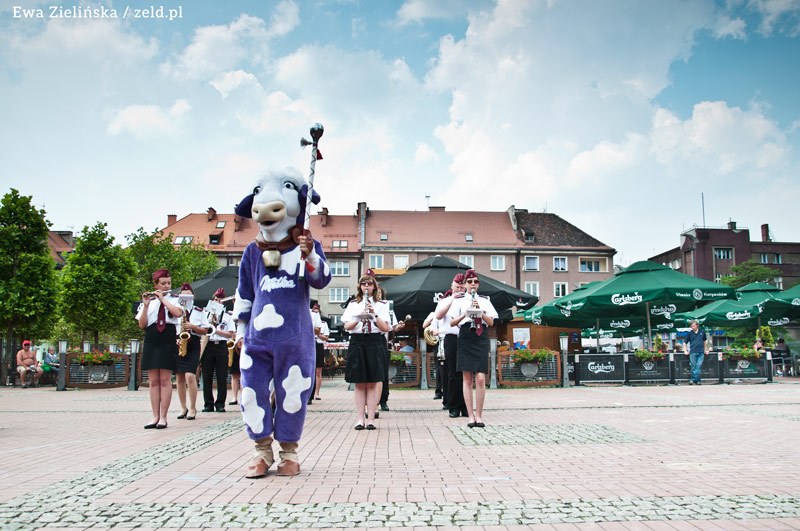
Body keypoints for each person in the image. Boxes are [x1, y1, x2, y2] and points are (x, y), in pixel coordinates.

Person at [449, 269, 498, 428]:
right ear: (465, 284)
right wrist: (465, 314)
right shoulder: (458, 300)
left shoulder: (484, 300)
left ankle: (479, 415)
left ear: (478, 284)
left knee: (481, 378)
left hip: (480, 335)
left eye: (475, 282)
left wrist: (480, 312)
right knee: (467, 378)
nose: (472, 284)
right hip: (465, 335)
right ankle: (470, 415)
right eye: (469, 282)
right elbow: (452, 323)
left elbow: (491, 322)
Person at [136, 269, 184, 429]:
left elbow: (177, 313)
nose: (166, 286)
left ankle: (163, 417)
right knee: (153, 381)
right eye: (163, 283)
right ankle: (154, 416)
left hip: (167, 338)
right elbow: (142, 324)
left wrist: (163, 300)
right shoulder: (149, 302)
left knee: (165, 380)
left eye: (168, 283)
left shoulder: (175, 300)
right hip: (152, 338)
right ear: (155, 284)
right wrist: (145, 305)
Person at [343, 273, 391, 430]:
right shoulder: (353, 304)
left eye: (369, 284)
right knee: (359, 383)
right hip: (358, 341)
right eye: (364, 284)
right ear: (360, 287)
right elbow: (346, 327)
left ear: (374, 287)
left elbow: (385, 328)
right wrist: (358, 317)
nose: (366, 287)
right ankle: (359, 419)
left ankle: (371, 419)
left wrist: (373, 314)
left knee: (372, 383)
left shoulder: (382, 304)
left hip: (374, 341)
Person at [435, 274, 469, 418]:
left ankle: (466, 406)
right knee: (452, 374)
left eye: (462, 287)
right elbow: (438, 316)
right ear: (452, 286)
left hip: (467, 337)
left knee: (466, 374)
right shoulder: (445, 301)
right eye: (457, 287)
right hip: (452, 338)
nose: (460, 289)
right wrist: (451, 301)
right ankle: (453, 406)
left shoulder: (469, 300)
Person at [175, 283, 210, 421]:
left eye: (189, 294)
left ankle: (193, 407)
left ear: (193, 296)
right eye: (184, 294)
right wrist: (176, 339)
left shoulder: (199, 311)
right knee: (179, 377)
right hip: (179, 342)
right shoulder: (176, 310)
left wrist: (192, 326)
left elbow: (205, 330)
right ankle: (183, 407)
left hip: (193, 343)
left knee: (190, 375)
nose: (187, 296)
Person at [202, 288, 235, 413]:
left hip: (221, 345)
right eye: (215, 299)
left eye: (219, 300)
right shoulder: (205, 314)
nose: (217, 301)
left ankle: (220, 403)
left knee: (222, 376)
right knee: (207, 376)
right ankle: (208, 404)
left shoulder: (227, 316)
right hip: (208, 345)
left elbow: (230, 334)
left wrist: (216, 330)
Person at [311, 302, 330, 401]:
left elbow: (325, 337)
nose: (315, 309)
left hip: (319, 345)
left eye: (317, 308)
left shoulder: (323, 324)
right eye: (314, 307)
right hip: (310, 343)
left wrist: (318, 335)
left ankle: (317, 393)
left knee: (318, 371)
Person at [683, 319, 708, 385]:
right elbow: (684, 342)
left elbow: (705, 341)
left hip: (701, 351)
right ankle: (698, 380)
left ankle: (693, 379)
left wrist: (705, 349)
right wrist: (685, 350)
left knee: (699, 365)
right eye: (691, 326)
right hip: (693, 351)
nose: (692, 327)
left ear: (697, 325)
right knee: (694, 366)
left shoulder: (702, 332)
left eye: (693, 326)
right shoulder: (689, 333)